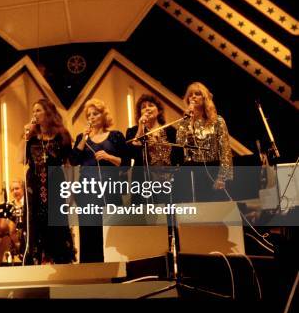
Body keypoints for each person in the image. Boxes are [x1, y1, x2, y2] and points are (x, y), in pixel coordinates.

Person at [70, 98, 128, 263]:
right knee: (89, 236)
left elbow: (125, 164)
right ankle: (91, 272)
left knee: (112, 236)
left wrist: (109, 157)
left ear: (103, 115)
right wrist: (84, 138)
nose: (92, 117)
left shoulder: (116, 136)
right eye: (89, 115)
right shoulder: (82, 137)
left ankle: (115, 272)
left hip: (110, 190)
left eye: (95, 113)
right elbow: (74, 160)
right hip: (87, 192)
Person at [23, 98, 75, 265]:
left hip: (55, 182)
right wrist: (26, 136)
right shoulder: (31, 136)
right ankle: (37, 259)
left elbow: (68, 163)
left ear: (48, 112)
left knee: (56, 221)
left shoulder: (61, 135)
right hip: (35, 185)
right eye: (33, 111)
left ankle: (60, 260)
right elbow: (22, 159)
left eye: (38, 110)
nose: (35, 114)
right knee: (36, 220)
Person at [175, 82, 233, 202]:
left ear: (205, 98)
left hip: (213, 170)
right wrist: (187, 123)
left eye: (197, 94)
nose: (193, 97)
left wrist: (222, 177)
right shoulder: (184, 121)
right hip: (192, 172)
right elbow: (180, 145)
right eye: (190, 95)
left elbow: (225, 150)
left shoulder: (217, 121)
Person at [125, 94, 182, 203]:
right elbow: (130, 152)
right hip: (144, 182)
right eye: (143, 107)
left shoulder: (171, 131)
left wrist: (160, 145)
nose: (147, 108)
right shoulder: (132, 131)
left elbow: (179, 157)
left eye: (150, 105)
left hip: (169, 181)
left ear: (159, 110)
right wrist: (141, 126)